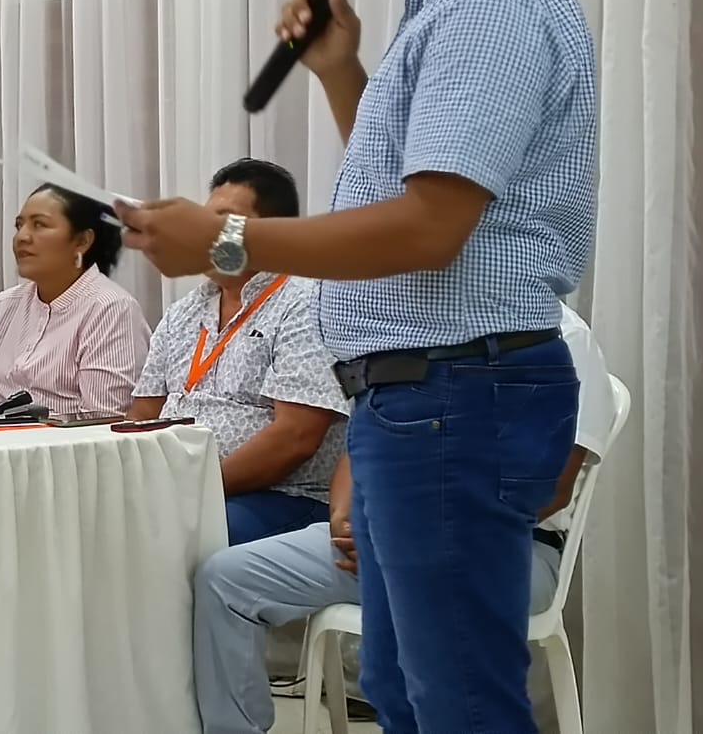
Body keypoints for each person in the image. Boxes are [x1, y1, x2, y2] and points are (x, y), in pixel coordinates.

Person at [116, 0, 597, 731]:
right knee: (405, 688)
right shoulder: (455, 1)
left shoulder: (491, 0)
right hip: (417, 395)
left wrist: (227, 239)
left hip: (455, 390)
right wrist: (340, 71)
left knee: (457, 702)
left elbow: (428, 229)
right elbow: (407, 194)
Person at [192, 304, 614, 734]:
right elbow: (361, 448)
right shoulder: (415, 327)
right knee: (226, 580)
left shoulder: (560, 337)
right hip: (387, 530)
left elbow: (547, 491)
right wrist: (345, 518)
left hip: (507, 548)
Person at [128, 160, 347, 545]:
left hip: (281, 496)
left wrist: (195, 491)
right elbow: (143, 414)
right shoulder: (182, 312)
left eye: (225, 222)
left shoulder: (304, 302)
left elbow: (296, 437)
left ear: (272, 232)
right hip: (177, 489)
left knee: (161, 538)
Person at [0, 184, 150, 416]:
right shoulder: (3, 306)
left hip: (70, 440)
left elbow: (102, 421)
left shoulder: (111, 309)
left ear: (82, 241)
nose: (21, 237)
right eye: (19, 226)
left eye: (39, 225)